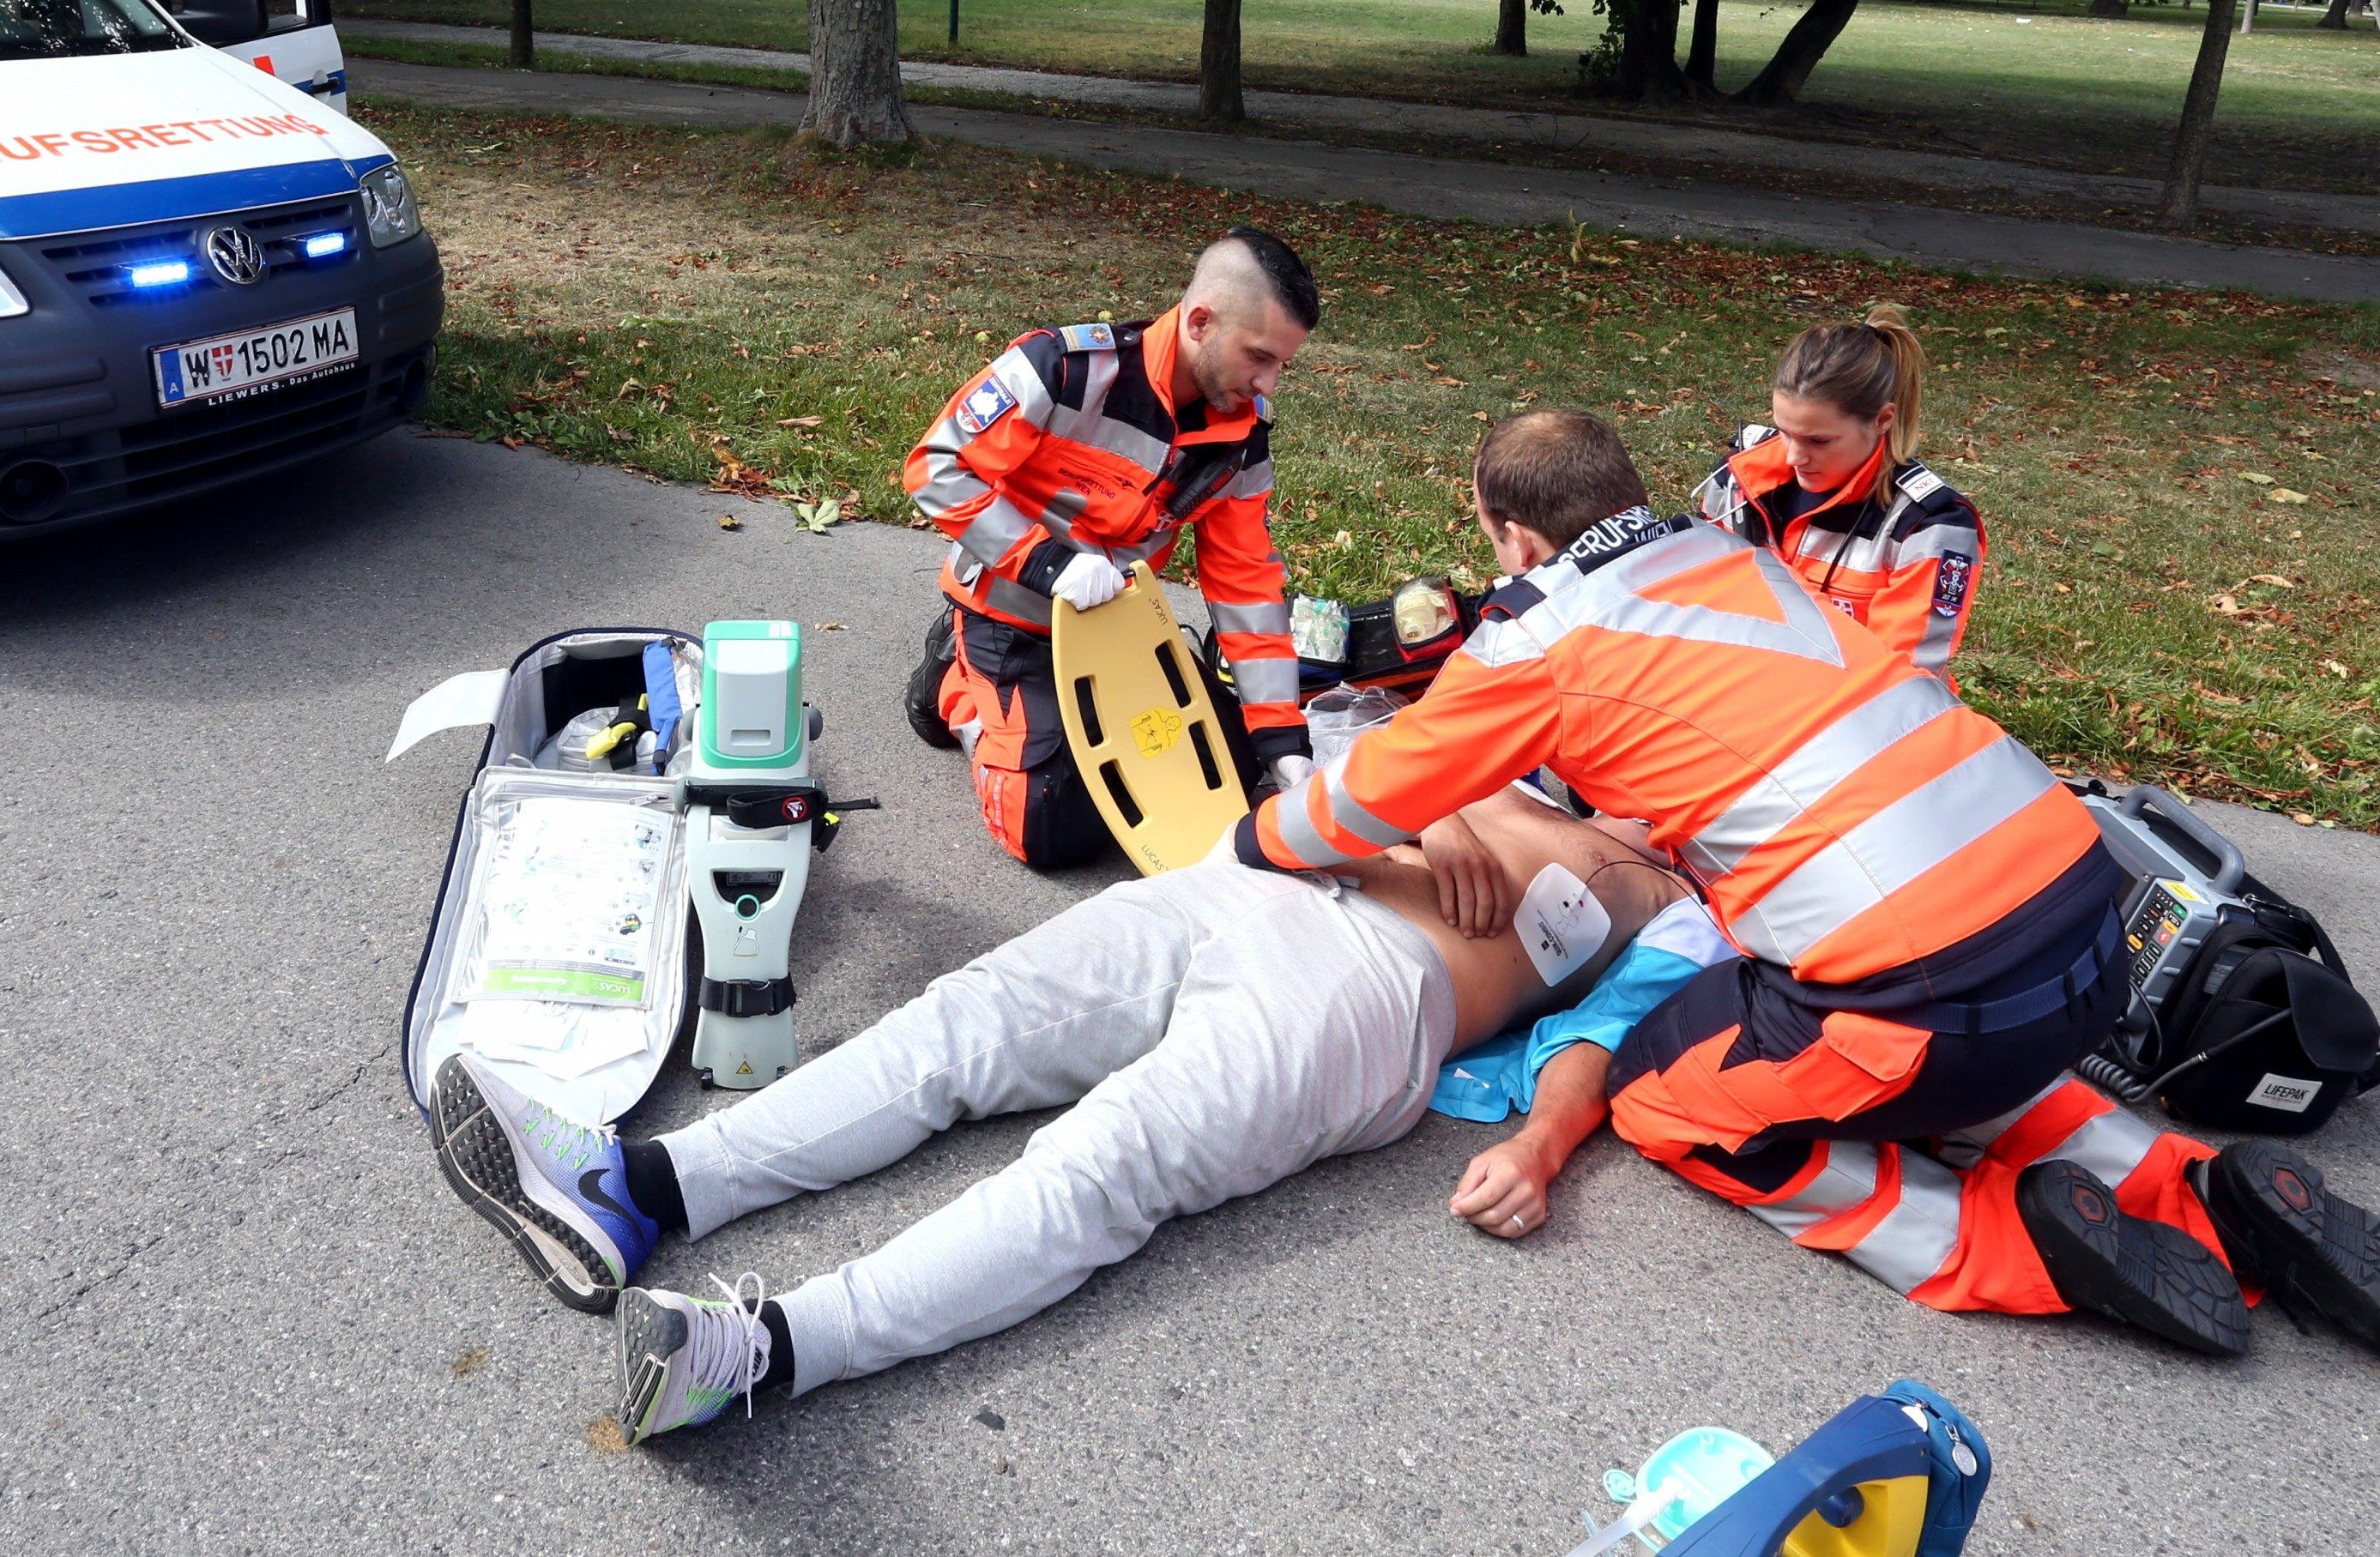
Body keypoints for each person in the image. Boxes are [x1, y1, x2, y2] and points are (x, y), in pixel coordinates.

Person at [1249, 407, 2380, 1359]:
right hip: (2090, 928)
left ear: (1507, 530)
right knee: (1923, 1041)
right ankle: (2206, 1189)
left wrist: (1260, 834)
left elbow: (1360, 804)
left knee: (1669, 1095)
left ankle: (2022, 1247)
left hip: (1932, 996)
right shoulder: (1728, 556)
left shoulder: (1532, 637)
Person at [427, 787, 1710, 1442]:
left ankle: (755, 1355)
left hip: (1376, 989)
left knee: (1107, 1160)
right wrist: (1432, 793)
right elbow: (1333, 763)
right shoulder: (1522, 695)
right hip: (1251, 877)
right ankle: (640, 1188)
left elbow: (1605, 1030)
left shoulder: (1686, 892)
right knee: (955, 1025)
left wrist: (1539, 1145)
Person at [897, 228, 1316, 868]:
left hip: (1119, 631)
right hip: (1012, 617)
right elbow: (937, 467)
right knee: (1045, 824)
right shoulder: (1061, 368)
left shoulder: (1240, 437)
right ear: (1199, 321)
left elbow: (1245, 585)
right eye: (1259, 356)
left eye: (1281, 364)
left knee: (1228, 774)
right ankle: (955, 684)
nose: (1270, 382)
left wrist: (1281, 735)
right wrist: (1048, 563)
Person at [1696, 305, 1984, 680]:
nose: (1793, 456)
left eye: (1818, 440)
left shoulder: (1933, 527)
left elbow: (1900, 682)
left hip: (1851, 714)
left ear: (1883, 420)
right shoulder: (1740, 474)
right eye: (1783, 430)